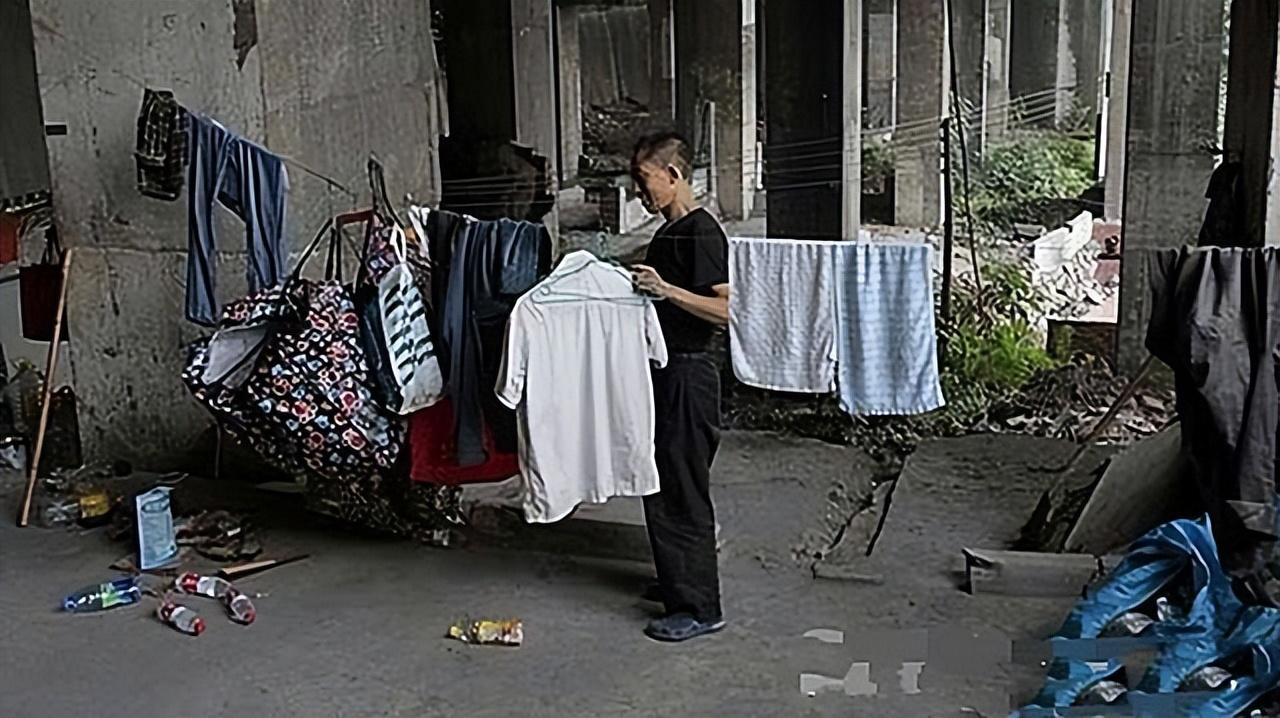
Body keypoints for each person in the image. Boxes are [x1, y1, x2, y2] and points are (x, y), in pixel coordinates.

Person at [629, 131, 729, 642]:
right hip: (666, 374)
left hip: (690, 374)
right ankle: (678, 581)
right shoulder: (668, 233)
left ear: (673, 175)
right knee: (663, 481)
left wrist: (665, 290)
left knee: (682, 492)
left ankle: (699, 607)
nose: (639, 192)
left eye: (644, 180)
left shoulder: (700, 232)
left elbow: (728, 310)